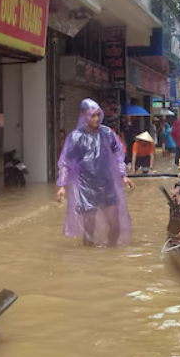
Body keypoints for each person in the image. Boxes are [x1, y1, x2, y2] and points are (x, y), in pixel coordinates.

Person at [56, 99, 133, 247]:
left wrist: (123, 175)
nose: (96, 119)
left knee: (115, 225)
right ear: (84, 115)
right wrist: (62, 185)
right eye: (92, 115)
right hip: (86, 188)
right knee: (89, 230)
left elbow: (118, 154)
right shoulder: (75, 138)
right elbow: (66, 162)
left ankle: (111, 253)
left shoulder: (107, 133)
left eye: (98, 115)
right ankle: (89, 259)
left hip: (107, 185)